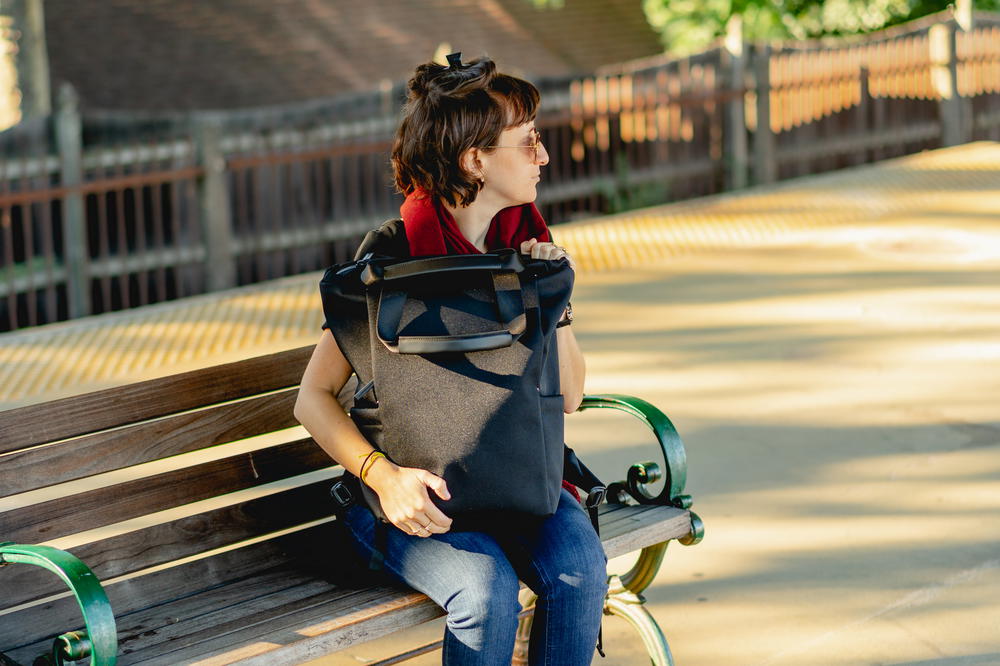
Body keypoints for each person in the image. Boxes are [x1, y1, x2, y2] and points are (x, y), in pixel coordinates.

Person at [294, 54, 607, 665]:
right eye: (529, 142)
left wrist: (556, 301)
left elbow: (567, 397)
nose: (543, 156)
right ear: (475, 160)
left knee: (579, 570)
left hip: (516, 483)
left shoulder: (528, 249)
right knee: (486, 592)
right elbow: (312, 397)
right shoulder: (391, 255)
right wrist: (384, 479)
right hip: (414, 501)